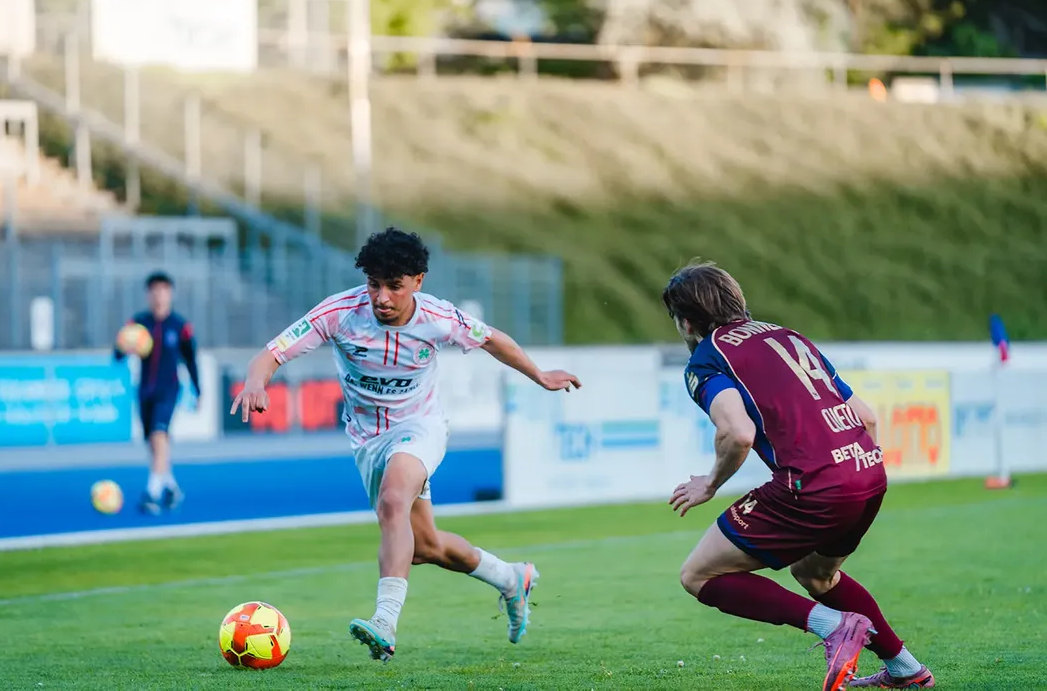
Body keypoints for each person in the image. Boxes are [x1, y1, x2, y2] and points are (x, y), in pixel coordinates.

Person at [230, 227, 581, 662]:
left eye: (394, 286)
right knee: (425, 546)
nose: (382, 297)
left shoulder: (438, 316)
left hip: (420, 426)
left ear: (418, 280)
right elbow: (270, 354)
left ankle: (385, 622)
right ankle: (511, 578)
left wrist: (540, 375)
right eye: (374, 284)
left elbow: (493, 339)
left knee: (394, 501)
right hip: (366, 439)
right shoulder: (340, 312)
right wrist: (254, 383)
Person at [663, 261, 933, 691]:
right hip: (867, 472)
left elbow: (737, 432)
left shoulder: (707, 357)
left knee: (698, 576)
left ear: (686, 320)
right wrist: (857, 468)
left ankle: (835, 626)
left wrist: (709, 483)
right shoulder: (787, 335)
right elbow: (864, 415)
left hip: (813, 486)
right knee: (817, 576)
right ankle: (904, 667)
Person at [114, 271, 201, 516]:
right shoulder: (138, 323)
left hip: (169, 389)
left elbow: (190, 359)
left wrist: (198, 389)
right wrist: (125, 347)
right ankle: (171, 487)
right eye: (154, 290)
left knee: (158, 435)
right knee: (152, 443)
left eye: (163, 290)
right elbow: (117, 354)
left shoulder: (180, 326)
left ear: (170, 293)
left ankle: (152, 492)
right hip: (145, 391)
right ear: (148, 294)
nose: (158, 295)